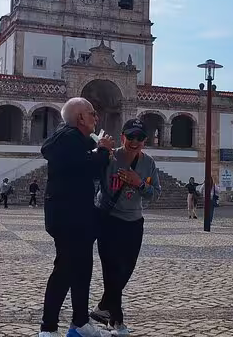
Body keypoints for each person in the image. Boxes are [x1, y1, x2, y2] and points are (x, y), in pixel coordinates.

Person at [39, 97, 114, 337]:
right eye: (92, 113)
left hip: (79, 216)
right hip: (68, 218)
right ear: (80, 117)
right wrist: (102, 149)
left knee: (82, 269)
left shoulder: (73, 139)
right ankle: (48, 328)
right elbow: (89, 166)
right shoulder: (68, 139)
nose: (96, 117)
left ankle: (80, 324)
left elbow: (83, 166)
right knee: (65, 270)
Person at [90, 118, 161, 336]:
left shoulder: (148, 163)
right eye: (130, 136)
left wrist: (138, 182)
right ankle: (116, 321)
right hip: (109, 220)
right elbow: (92, 175)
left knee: (125, 271)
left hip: (134, 223)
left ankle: (103, 307)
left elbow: (155, 194)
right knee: (111, 271)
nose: (134, 141)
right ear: (122, 137)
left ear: (144, 140)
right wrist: (101, 149)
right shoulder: (112, 157)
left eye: (139, 137)